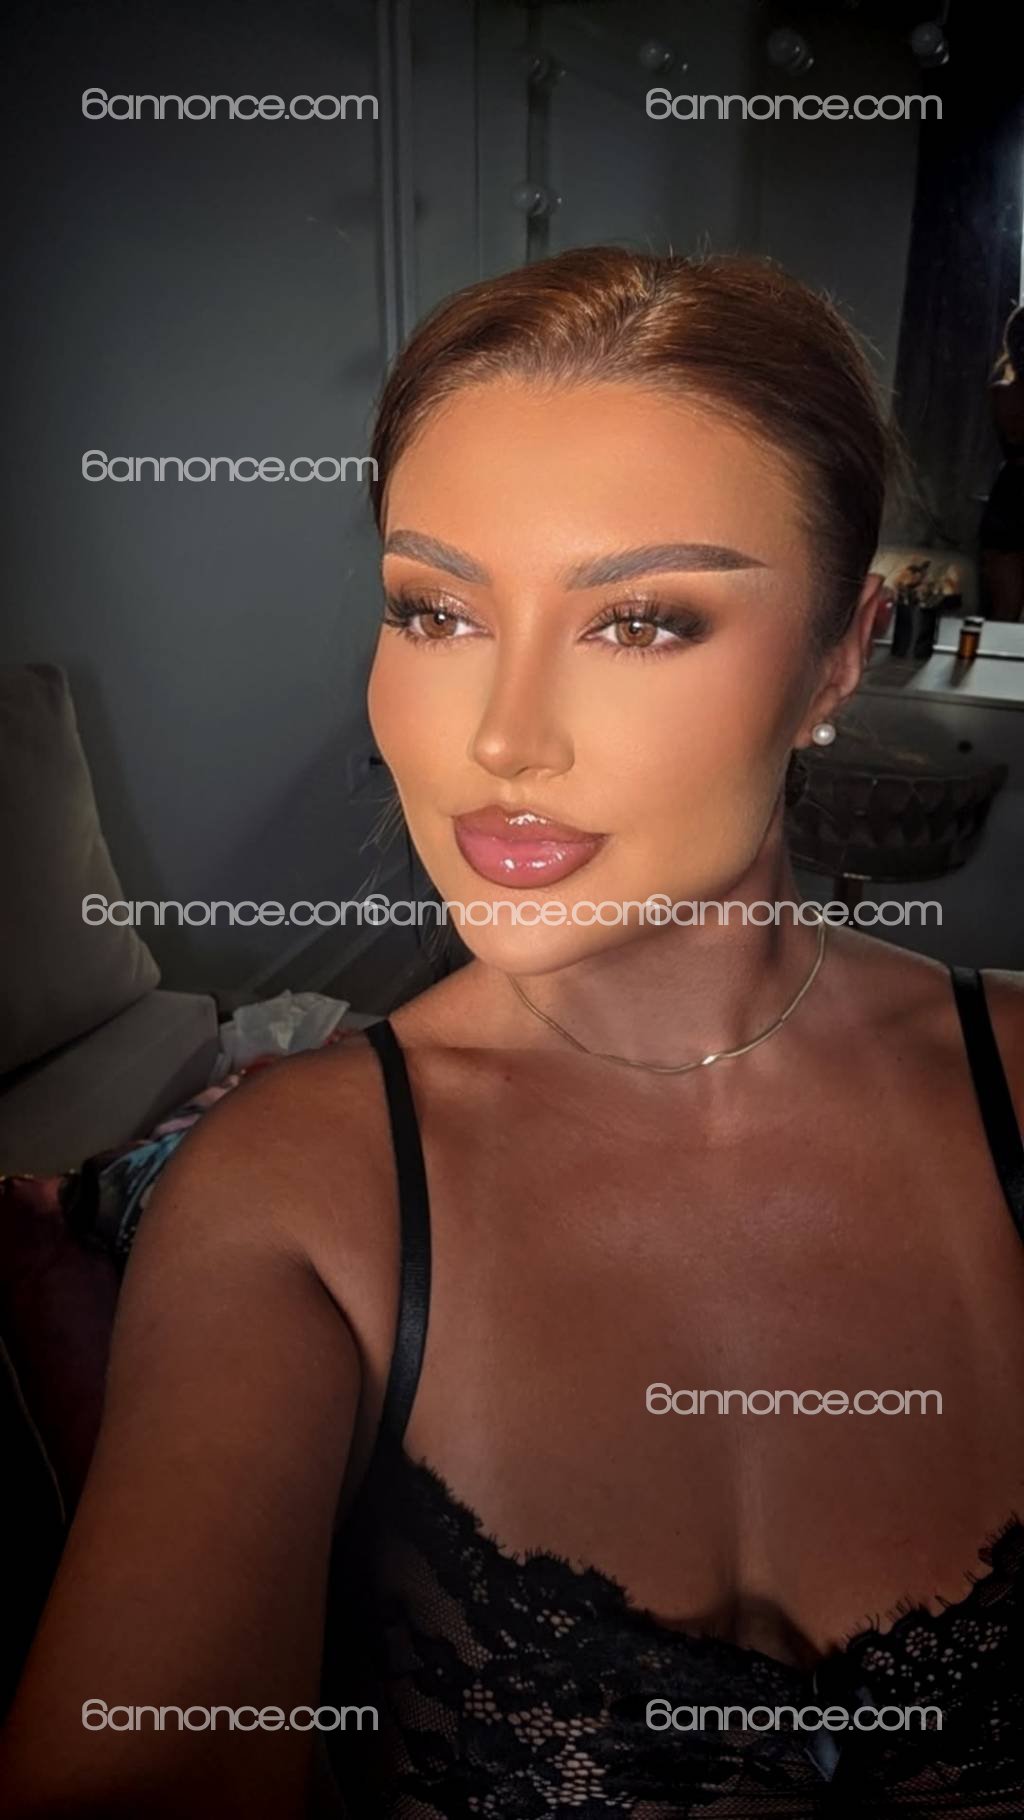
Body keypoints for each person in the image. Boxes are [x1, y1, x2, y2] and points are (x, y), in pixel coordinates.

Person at [3, 248, 1024, 1819]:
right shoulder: (293, 1196)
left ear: (839, 651)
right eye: (436, 610)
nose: (501, 737)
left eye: (643, 621)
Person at [978, 303, 1024, 622]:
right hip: (1010, 503)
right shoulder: (1002, 395)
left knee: (1003, 610)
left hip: (1008, 496)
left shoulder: (1000, 394)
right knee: (1004, 611)